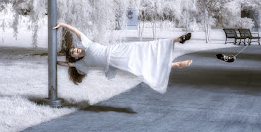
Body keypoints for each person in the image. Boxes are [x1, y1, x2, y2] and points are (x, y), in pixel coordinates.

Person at [54, 22, 192, 94]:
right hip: (115, 61)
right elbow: (66, 64)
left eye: (74, 48)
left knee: (145, 46)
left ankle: (178, 39)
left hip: (118, 49)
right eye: (73, 53)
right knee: (142, 66)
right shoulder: (84, 63)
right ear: (75, 57)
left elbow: (75, 30)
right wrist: (53, 62)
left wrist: (62, 25)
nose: (76, 50)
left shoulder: (87, 44)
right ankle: (175, 65)